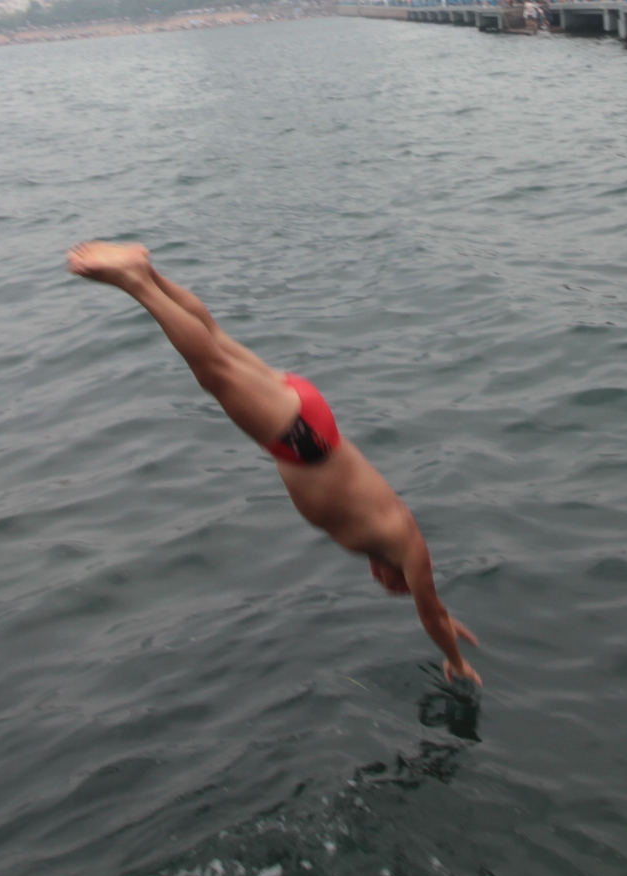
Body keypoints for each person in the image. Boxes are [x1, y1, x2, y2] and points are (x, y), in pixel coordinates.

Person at [65, 240, 482, 683]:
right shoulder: (409, 547)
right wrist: (455, 659)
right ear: (411, 578)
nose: (385, 585)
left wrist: (443, 618)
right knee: (212, 370)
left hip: (304, 418)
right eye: (399, 588)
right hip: (302, 438)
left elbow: (433, 610)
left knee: (215, 340)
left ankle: (149, 273)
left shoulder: (390, 544)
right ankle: (135, 281)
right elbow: (428, 611)